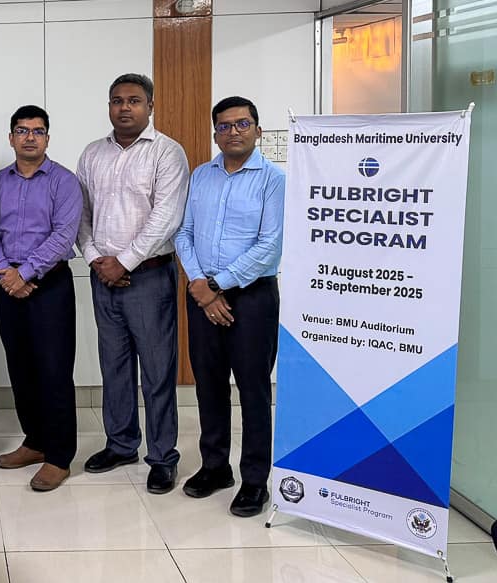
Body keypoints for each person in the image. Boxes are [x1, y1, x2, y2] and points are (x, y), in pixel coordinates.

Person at [76, 73, 190, 494]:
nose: (125, 108)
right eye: (117, 100)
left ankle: (162, 456)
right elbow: (80, 214)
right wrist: (94, 259)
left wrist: (123, 261)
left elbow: (167, 217)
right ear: (109, 106)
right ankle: (121, 443)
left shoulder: (166, 153)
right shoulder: (91, 154)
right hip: (102, 277)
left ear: (150, 106)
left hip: (149, 277)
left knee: (157, 372)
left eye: (134, 101)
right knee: (115, 367)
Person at [175, 96, 284, 517]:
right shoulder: (202, 176)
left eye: (242, 124)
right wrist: (201, 286)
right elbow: (183, 232)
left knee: (253, 389)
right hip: (203, 294)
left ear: (258, 130)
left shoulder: (275, 180)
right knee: (209, 384)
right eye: (223, 125)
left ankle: (255, 479)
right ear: (214, 132)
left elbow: (270, 244)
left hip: (252, 297)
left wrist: (217, 284)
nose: (233, 131)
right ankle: (215, 466)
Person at [0, 106, 82, 492]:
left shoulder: (64, 181)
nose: (29, 138)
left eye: (37, 131)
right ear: (10, 137)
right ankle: (35, 441)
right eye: (22, 131)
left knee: (54, 371)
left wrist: (24, 273)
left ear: (47, 139)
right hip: (8, 283)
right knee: (20, 367)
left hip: (49, 284)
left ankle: (58, 456)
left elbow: (63, 235)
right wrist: (6, 271)